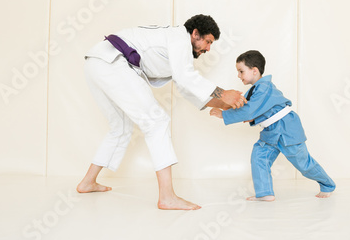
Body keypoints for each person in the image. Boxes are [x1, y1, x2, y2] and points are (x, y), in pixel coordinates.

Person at [76, 14, 245, 210]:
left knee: (120, 127)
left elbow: (185, 86)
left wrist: (224, 104)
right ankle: (167, 197)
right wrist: (224, 93)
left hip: (97, 62)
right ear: (195, 33)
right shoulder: (179, 38)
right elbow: (186, 78)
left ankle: (87, 182)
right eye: (207, 42)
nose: (208, 49)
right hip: (112, 63)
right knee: (157, 122)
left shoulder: (175, 47)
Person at [210, 50, 336, 201]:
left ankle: (328, 185)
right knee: (259, 156)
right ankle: (265, 193)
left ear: (254, 70)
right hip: (271, 130)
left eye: (241, 71)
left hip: (286, 128)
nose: (238, 75)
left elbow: (249, 111)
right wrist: (227, 106)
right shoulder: (256, 90)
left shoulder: (264, 87)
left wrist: (223, 115)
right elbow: (252, 109)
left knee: (303, 162)